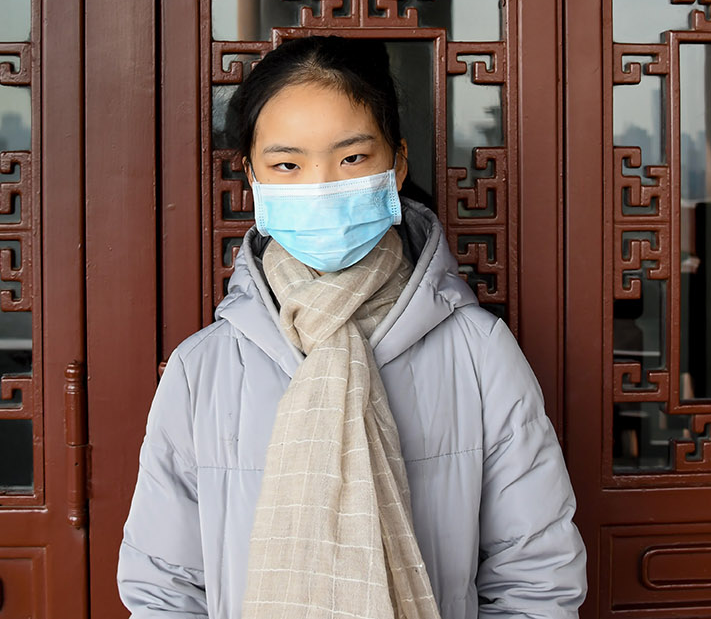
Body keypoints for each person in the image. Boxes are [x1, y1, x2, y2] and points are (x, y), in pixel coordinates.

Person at [117, 36, 586, 619]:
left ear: (398, 164)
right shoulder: (203, 368)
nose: (320, 186)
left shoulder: (478, 352)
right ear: (252, 178)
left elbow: (536, 575)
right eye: (287, 165)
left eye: (353, 159)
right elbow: (165, 588)